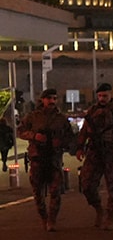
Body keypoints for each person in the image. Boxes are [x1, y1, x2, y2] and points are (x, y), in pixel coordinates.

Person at [76, 83, 113, 229]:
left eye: (105, 96)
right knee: (86, 185)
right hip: (94, 152)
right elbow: (84, 131)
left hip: (111, 152)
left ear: (110, 95)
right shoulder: (92, 111)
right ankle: (98, 209)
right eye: (100, 96)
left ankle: (111, 216)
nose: (102, 98)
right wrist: (80, 147)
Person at [16, 89, 73, 230]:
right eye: (49, 98)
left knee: (55, 191)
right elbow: (20, 131)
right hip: (37, 159)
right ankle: (44, 217)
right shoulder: (33, 117)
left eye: (54, 98)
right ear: (43, 100)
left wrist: (60, 142)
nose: (52, 101)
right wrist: (34, 136)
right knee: (38, 192)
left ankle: (52, 220)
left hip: (54, 159)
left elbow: (70, 137)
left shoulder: (61, 119)